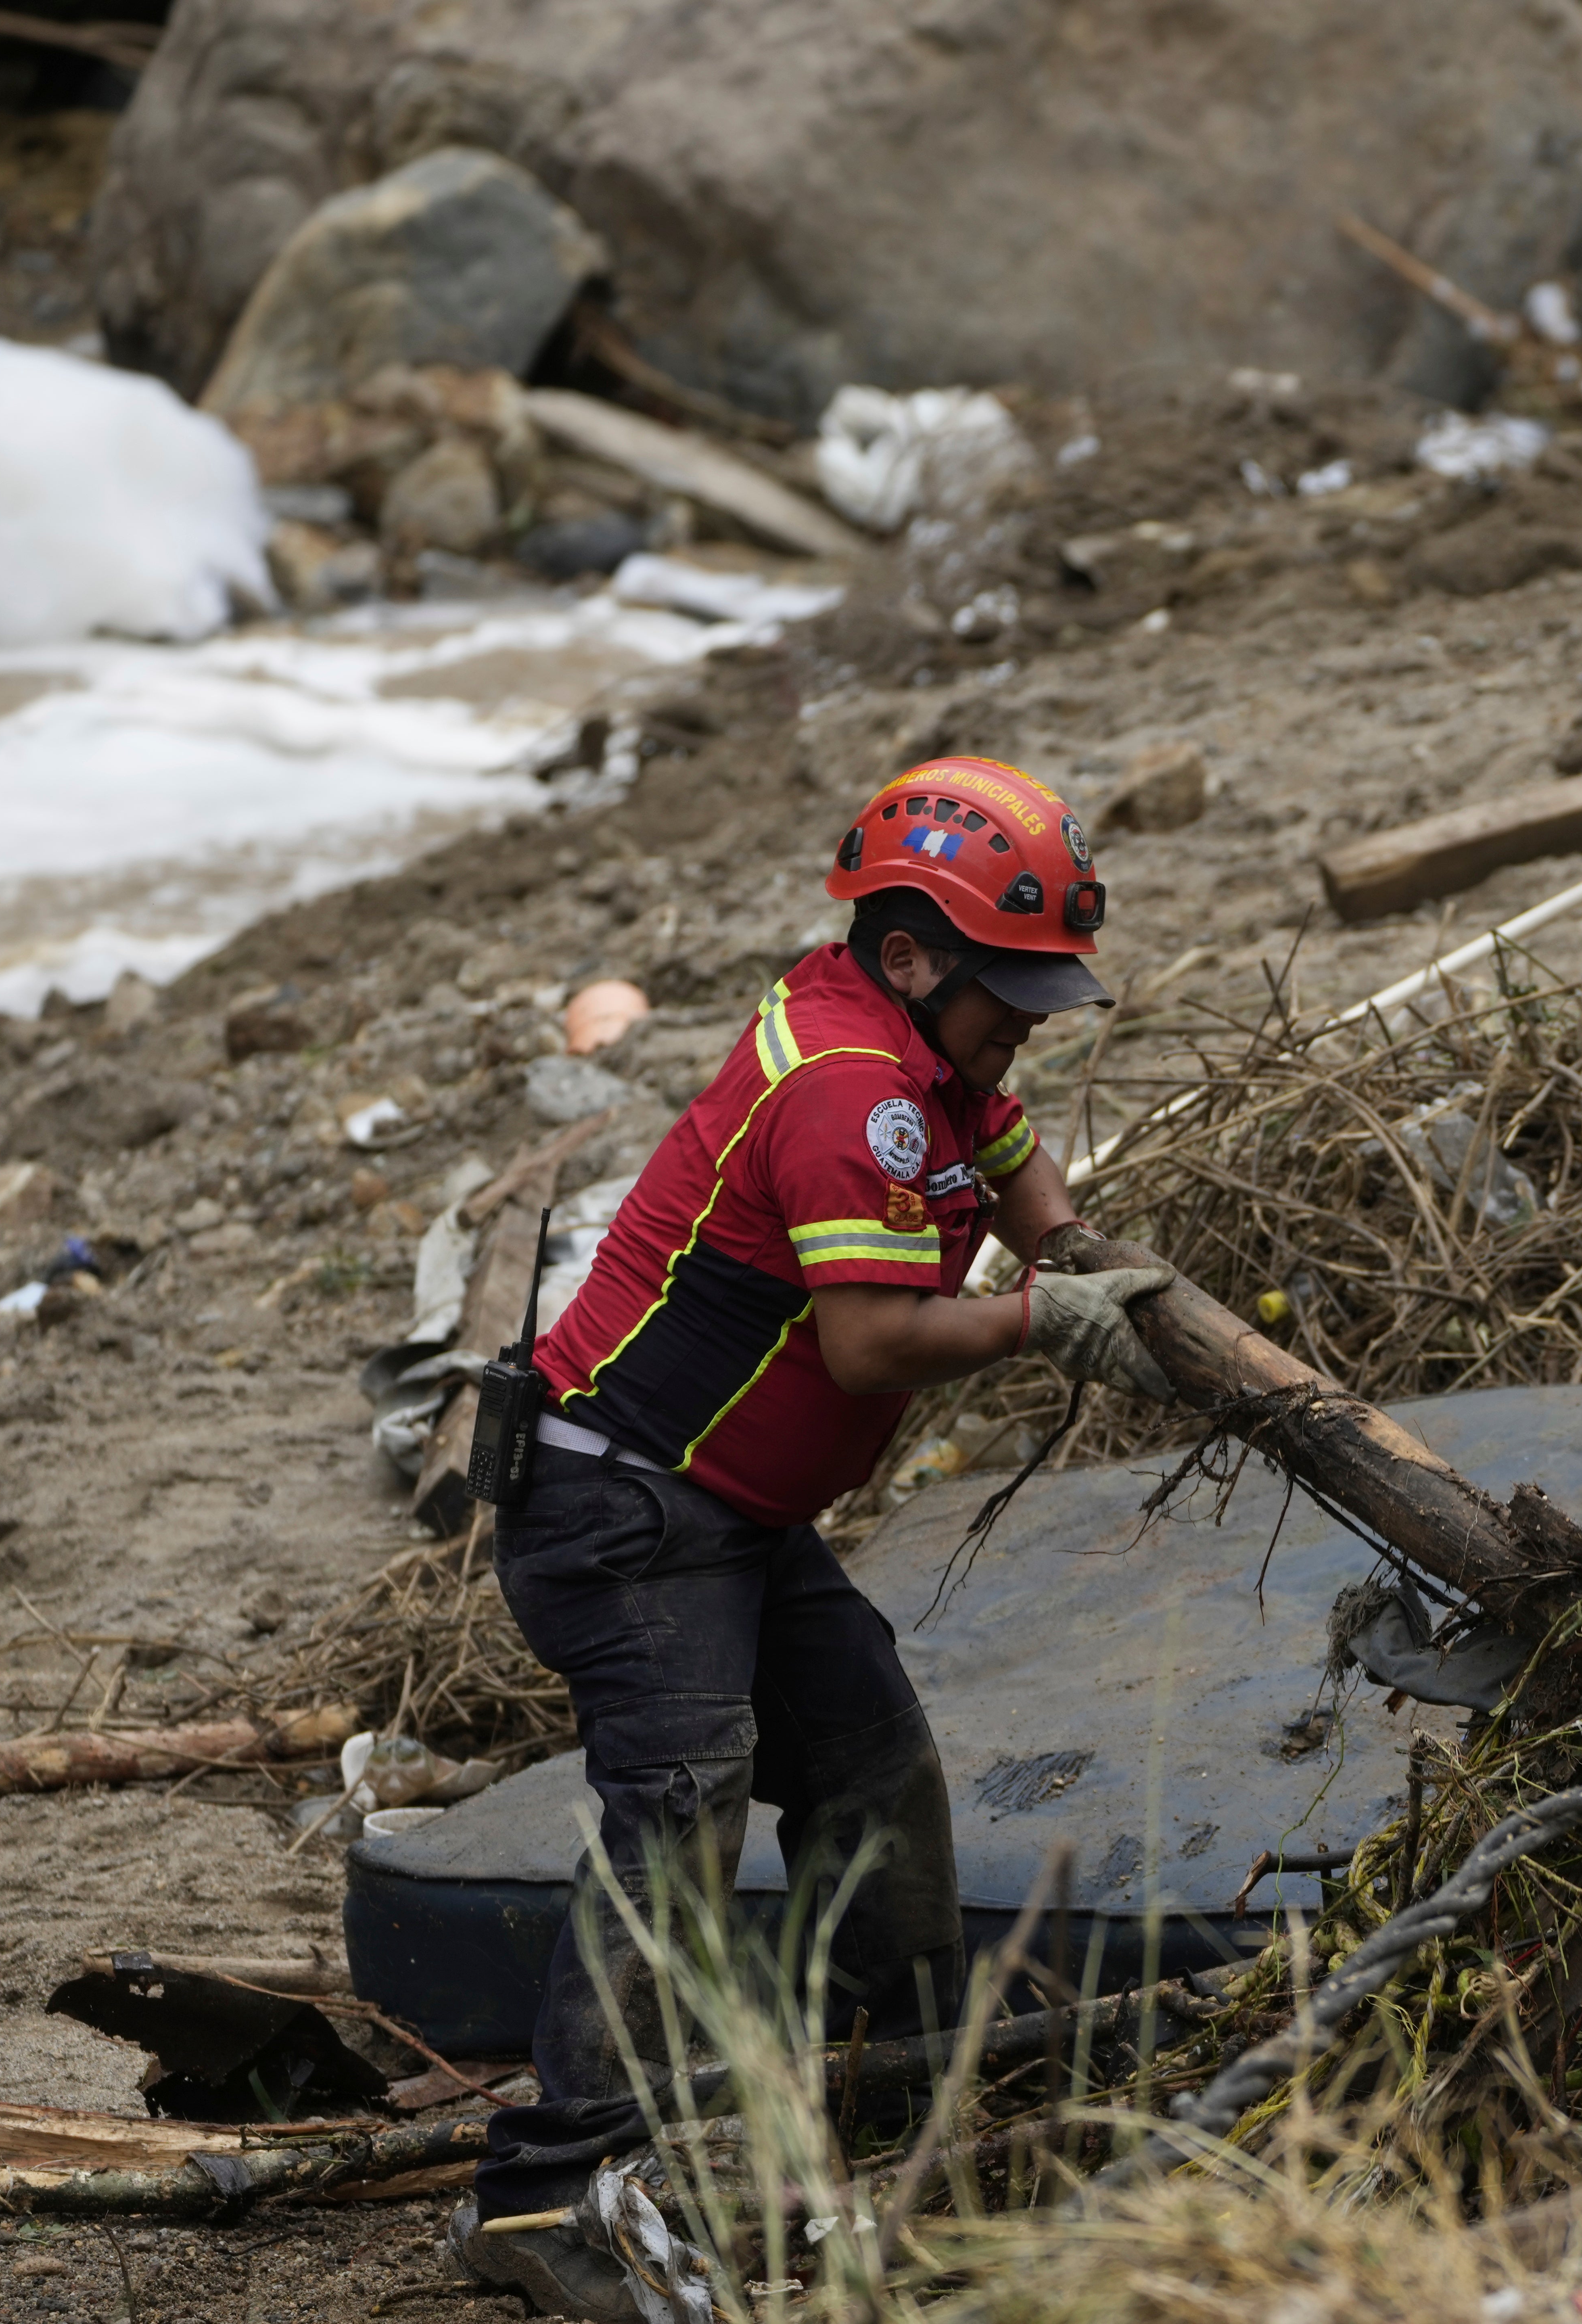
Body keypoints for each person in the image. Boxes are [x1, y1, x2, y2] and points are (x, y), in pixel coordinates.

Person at [450, 757, 1176, 2318]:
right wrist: (1046, 1318)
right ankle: (545, 2198)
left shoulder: (913, 1042)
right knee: (683, 1810)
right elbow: (868, 1344)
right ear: (911, 955)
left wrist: (1077, 1251)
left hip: (731, 1512)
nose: (1029, 1021)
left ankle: (892, 2074)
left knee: (868, 1763)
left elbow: (1003, 1145)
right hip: (625, 1508)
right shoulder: (846, 1092)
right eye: (1014, 992)